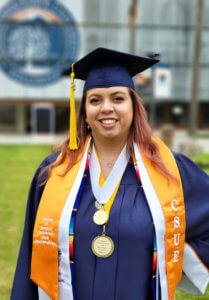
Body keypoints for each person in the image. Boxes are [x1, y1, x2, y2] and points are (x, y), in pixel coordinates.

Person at [11, 48, 209, 300]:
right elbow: (32, 254)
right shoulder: (53, 173)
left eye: (118, 98)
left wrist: (173, 252)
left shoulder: (169, 169)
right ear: (83, 112)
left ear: (134, 107)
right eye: (95, 100)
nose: (106, 108)